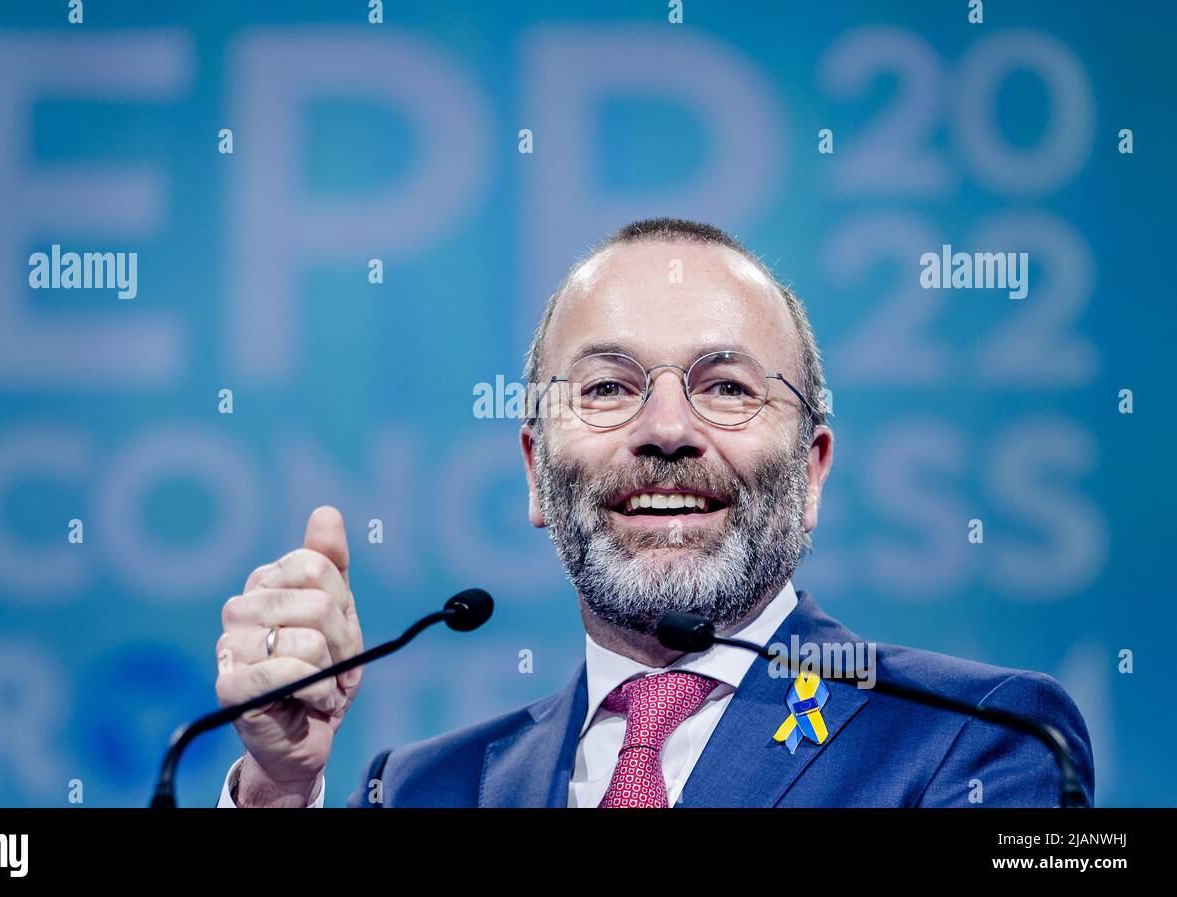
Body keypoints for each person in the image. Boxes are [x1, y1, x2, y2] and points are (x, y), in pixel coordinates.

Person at [212, 217, 1093, 808]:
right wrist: (279, 790)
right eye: (606, 387)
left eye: (725, 386)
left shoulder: (985, 740)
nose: (666, 429)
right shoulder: (415, 787)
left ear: (813, 468)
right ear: (533, 472)